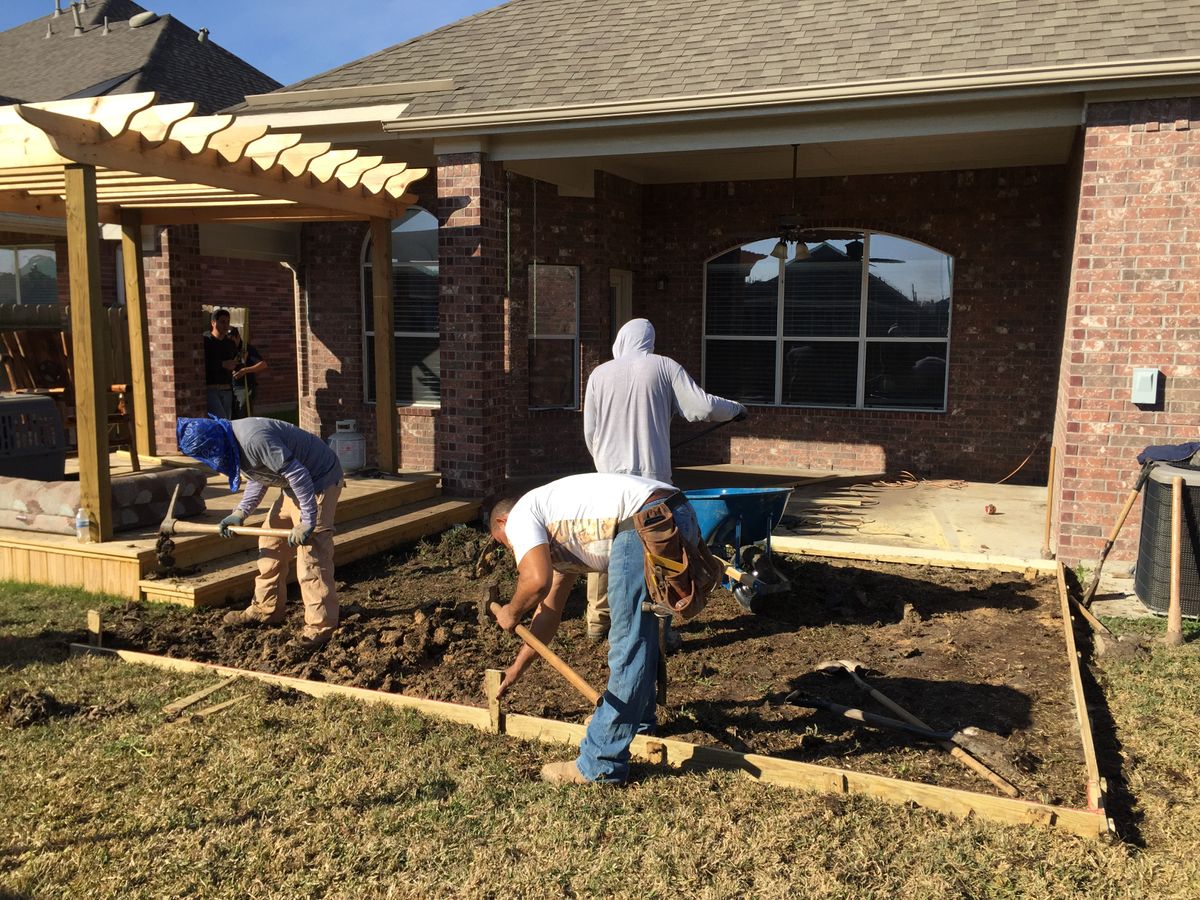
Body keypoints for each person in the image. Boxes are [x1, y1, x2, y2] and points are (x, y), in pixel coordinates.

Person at [490, 472, 705, 784]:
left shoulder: (522, 513)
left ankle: (600, 763)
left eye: (507, 545)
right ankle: (637, 720)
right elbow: (549, 612)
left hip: (642, 523)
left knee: (627, 643)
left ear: (502, 523)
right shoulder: (561, 532)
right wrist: (516, 668)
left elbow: (535, 582)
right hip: (676, 510)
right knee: (641, 633)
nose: (514, 552)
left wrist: (511, 611)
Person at [581, 318, 746, 642]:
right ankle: (659, 629)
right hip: (651, 481)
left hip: (608, 480)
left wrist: (604, 464)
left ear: (621, 340)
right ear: (649, 341)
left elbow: (590, 431)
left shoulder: (599, 374)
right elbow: (701, 407)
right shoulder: (663, 367)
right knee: (661, 549)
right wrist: (735, 408)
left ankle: (598, 622)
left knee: (602, 547)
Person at [176, 416, 344, 652]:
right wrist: (240, 512)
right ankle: (267, 609)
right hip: (293, 486)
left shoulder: (254, 438)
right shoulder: (237, 441)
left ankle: (321, 626)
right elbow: (260, 474)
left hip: (318, 481)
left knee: (311, 557)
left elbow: (297, 474)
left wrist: (307, 521)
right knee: (270, 544)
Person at [203, 309, 237, 418]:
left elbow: (234, 362)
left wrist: (236, 364)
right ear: (213, 323)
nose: (226, 325)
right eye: (222, 322)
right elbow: (203, 363)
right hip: (212, 389)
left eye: (227, 322)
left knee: (227, 422)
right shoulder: (205, 341)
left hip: (227, 389)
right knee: (220, 421)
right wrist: (221, 364)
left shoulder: (230, 343)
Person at [229, 327, 268, 419]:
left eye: (232, 340)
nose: (230, 343)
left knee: (243, 414)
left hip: (245, 387)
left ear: (238, 337)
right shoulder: (228, 348)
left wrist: (245, 370)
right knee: (232, 416)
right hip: (230, 387)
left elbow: (263, 364)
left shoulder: (246, 348)